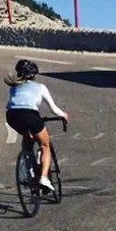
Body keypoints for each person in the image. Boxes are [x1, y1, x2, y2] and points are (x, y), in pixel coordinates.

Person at [5, 59, 68, 191]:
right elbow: (53, 108)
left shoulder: (13, 87)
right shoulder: (40, 87)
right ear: (34, 75)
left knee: (27, 135)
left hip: (12, 116)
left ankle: (29, 168)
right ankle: (44, 178)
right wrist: (63, 115)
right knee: (45, 145)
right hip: (30, 115)